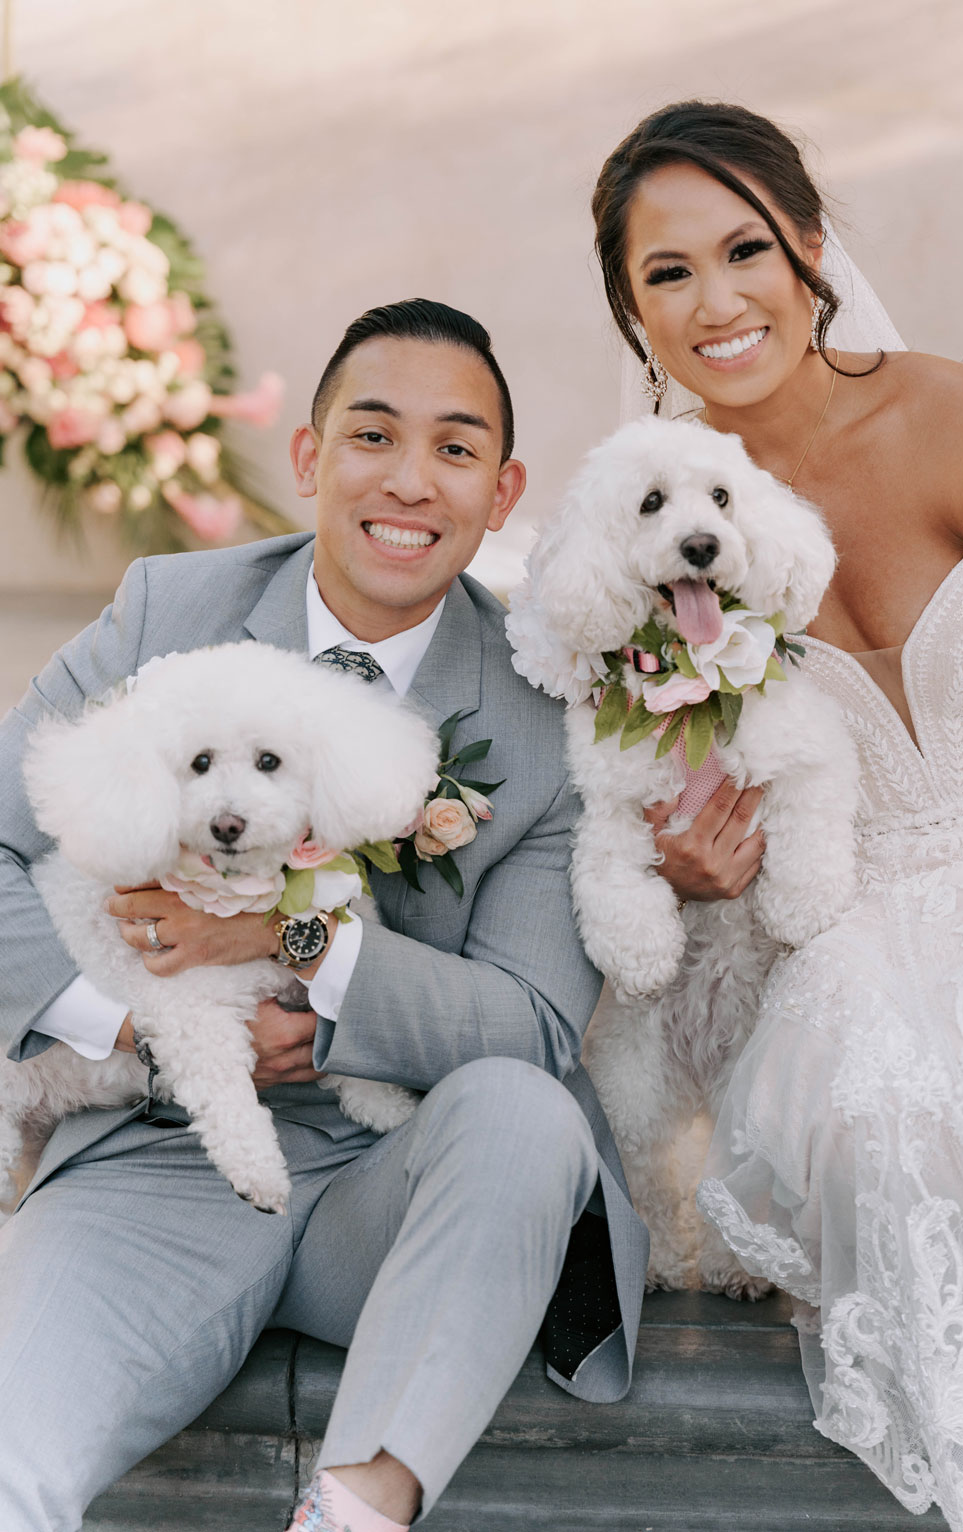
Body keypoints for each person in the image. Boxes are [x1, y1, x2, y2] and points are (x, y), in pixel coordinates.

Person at [0, 297, 677, 1532]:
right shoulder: (164, 611)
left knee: (525, 1110)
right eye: (373, 435)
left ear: (503, 491)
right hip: (159, 1150)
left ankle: (356, 1512)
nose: (410, 480)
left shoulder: (548, 711)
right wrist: (130, 1027)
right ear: (310, 455)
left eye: (455, 449)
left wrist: (287, 943)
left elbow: (530, 1024)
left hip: (403, 1180)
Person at [589, 101, 963, 1530]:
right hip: (862, 909)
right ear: (633, 313)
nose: (716, 300)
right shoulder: (655, 524)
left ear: (811, 246)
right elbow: (676, 790)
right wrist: (687, 868)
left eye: (745, 249)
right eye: (668, 273)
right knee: (882, 1117)